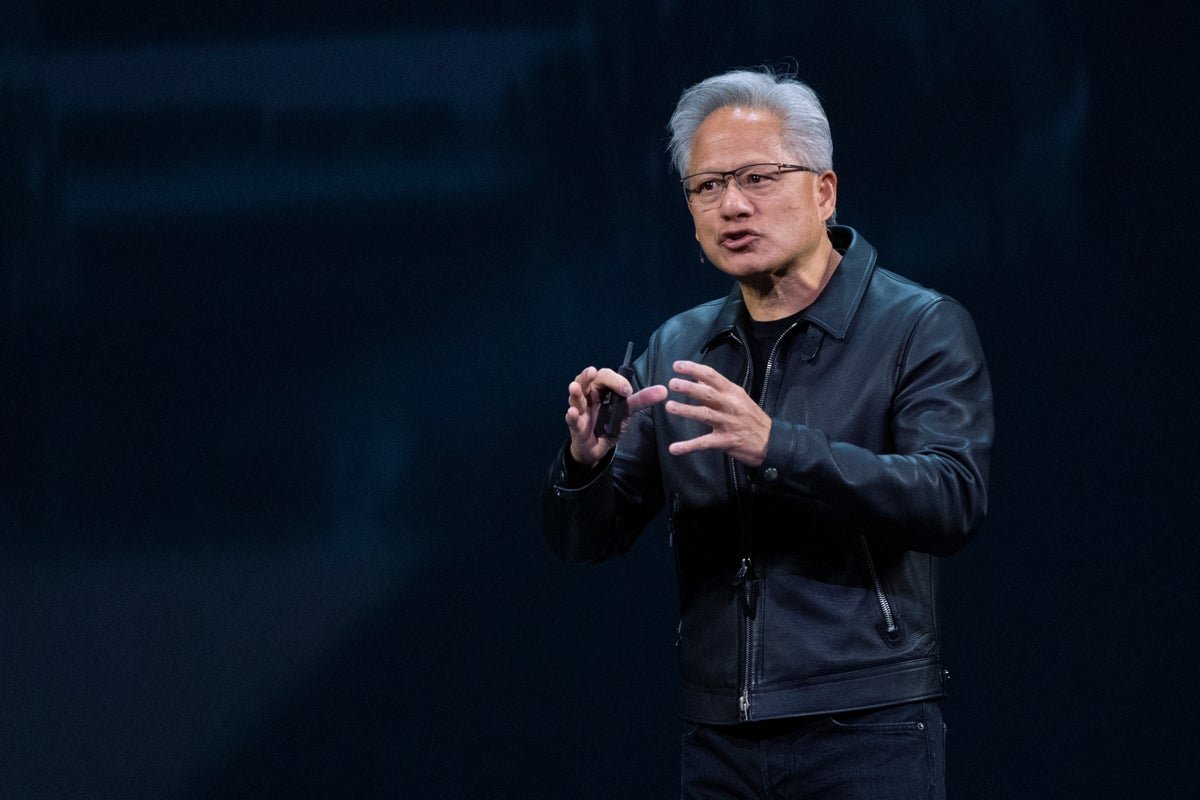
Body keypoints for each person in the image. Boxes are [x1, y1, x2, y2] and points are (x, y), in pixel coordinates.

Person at [542, 68, 993, 799]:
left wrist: (778, 446)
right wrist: (584, 463)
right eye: (707, 187)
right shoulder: (677, 346)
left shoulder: (919, 326)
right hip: (719, 737)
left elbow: (952, 498)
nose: (733, 205)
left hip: (866, 724)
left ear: (824, 191)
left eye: (757, 177)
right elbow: (583, 541)